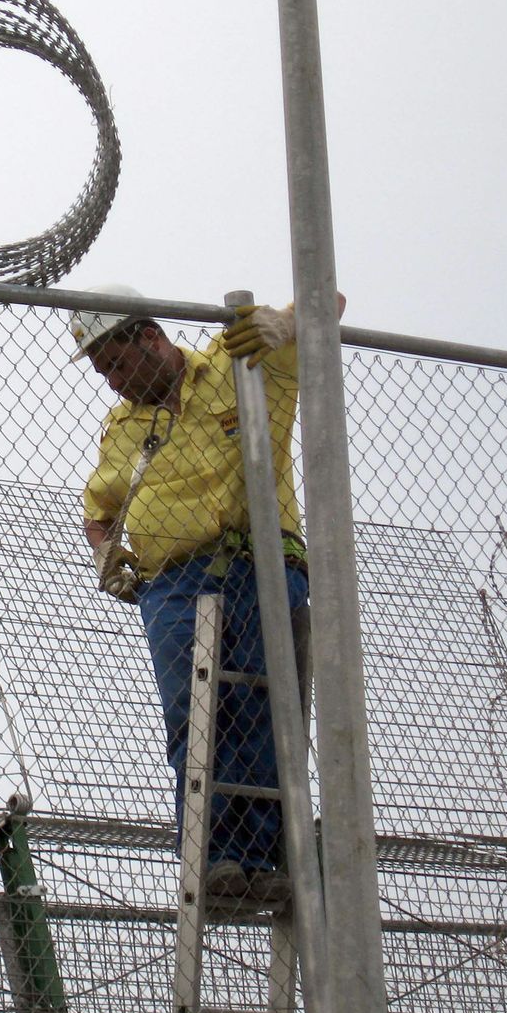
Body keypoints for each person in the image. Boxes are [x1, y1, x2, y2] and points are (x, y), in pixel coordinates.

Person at [72, 284, 341, 899]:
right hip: (171, 582)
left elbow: (331, 300)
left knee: (264, 712)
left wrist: (280, 324)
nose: (111, 380)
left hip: (263, 563)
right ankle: (217, 855)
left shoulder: (239, 363)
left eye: (114, 363)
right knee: (194, 716)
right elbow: (101, 504)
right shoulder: (123, 429)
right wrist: (107, 554)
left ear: (148, 335)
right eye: (101, 370)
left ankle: (267, 857)